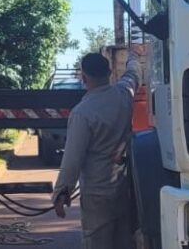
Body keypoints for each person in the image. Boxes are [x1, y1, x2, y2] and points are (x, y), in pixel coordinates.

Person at [52, 46, 143, 249]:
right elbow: (133, 74)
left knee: (97, 241)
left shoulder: (82, 113)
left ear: (83, 77)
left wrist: (61, 192)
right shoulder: (124, 94)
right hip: (124, 187)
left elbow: (73, 158)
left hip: (96, 193)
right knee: (124, 241)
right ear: (110, 73)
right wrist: (133, 57)